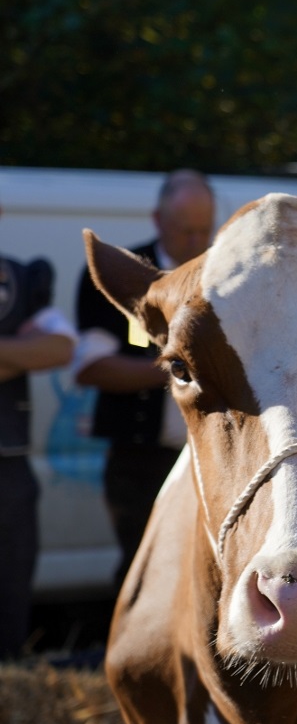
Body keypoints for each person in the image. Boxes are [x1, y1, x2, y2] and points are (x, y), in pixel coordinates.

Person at [74, 169, 215, 586]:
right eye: (185, 230)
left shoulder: (227, 276)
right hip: (141, 459)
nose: (196, 241)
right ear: (158, 220)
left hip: (213, 454)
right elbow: (91, 368)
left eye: (204, 230)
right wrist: (181, 370)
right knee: (145, 572)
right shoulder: (125, 277)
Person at [1, 220, 77, 659]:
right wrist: (19, 349)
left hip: (10, 468)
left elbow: (61, 348)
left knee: (11, 594)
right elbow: (40, 350)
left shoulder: (22, 278)